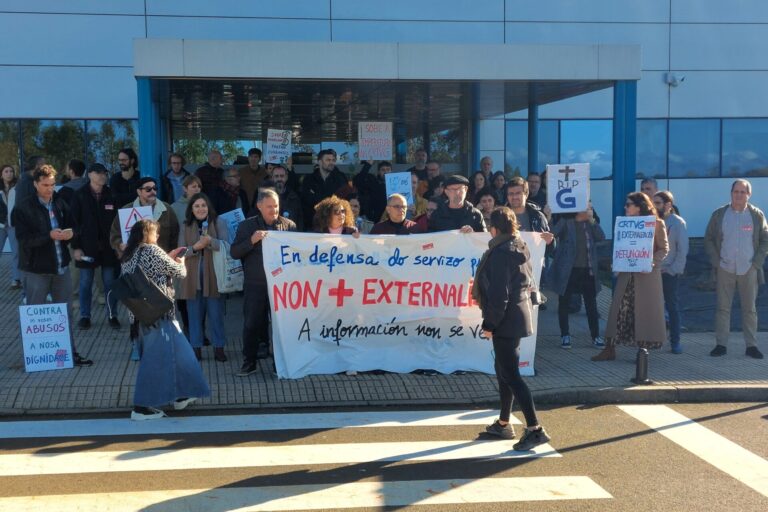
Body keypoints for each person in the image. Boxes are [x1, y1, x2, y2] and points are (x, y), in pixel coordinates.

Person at [473, 206, 551, 451]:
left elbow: (499, 296)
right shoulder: (519, 245)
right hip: (517, 316)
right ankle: (504, 423)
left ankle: (535, 429)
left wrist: (489, 324)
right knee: (504, 371)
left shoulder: (500, 252)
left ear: (494, 228)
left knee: (512, 376)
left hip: (506, 320)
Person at [120, 219, 210, 420]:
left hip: (141, 315)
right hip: (160, 315)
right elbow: (180, 273)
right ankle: (141, 407)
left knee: (179, 355)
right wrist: (181, 260)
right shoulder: (152, 251)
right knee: (158, 360)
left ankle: (180, 396)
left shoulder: (128, 255)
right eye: (155, 233)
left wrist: (167, 258)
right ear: (146, 234)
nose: (157, 236)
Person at [12, 164, 92, 366]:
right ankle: (35, 358)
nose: (50, 188)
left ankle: (69, 354)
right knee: (36, 316)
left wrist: (71, 235)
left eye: (53, 184)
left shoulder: (60, 202)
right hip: (35, 270)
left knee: (65, 314)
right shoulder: (23, 207)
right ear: (35, 184)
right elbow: (23, 240)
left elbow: (74, 225)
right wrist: (48, 236)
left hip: (61, 267)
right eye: (45, 185)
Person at [593, 192, 668, 361]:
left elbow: (664, 249)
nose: (625, 208)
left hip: (646, 276)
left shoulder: (656, 224)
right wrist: (618, 263)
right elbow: (621, 247)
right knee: (618, 310)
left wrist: (651, 262)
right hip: (626, 275)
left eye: (628, 205)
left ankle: (643, 351)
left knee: (643, 313)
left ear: (639, 206)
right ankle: (609, 348)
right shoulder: (624, 224)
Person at [231, 189, 297, 376]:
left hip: (281, 285)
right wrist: (251, 241)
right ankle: (249, 361)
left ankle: (280, 363)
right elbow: (234, 252)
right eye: (269, 206)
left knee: (281, 325)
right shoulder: (247, 226)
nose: (273, 210)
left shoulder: (289, 225)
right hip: (255, 284)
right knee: (252, 324)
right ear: (259, 206)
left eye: (276, 206)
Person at [704, 179, 768, 359]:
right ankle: (721, 345)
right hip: (725, 268)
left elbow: (765, 240)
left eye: (742, 192)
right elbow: (708, 238)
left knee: (750, 309)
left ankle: (752, 346)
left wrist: (756, 263)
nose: (738, 195)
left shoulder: (757, 215)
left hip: (748, 269)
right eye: (736, 191)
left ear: (749, 194)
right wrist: (717, 262)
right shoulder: (719, 214)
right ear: (731, 193)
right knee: (722, 308)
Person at [178, 192, 228, 362]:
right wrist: (196, 247)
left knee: (216, 315)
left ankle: (219, 348)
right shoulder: (185, 226)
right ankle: (196, 348)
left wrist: (211, 242)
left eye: (203, 205)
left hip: (214, 277)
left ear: (209, 207)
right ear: (191, 209)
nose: (201, 209)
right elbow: (180, 252)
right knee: (194, 316)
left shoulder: (219, 222)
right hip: (192, 278)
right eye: (197, 206)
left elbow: (227, 247)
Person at [547, 203, 606, 349]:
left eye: (591, 207)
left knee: (591, 305)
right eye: (586, 206)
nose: (588, 209)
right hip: (569, 270)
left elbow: (601, 237)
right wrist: (548, 218)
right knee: (564, 303)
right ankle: (565, 335)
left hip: (588, 270)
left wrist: (592, 220)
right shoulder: (567, 222)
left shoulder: (590, 223)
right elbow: (551, 234)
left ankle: (596, 336)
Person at [70, 163, 120, 330]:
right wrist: (76, 247)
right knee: (85, 283)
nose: (102, 176)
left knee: (109, 283)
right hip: (86, 247)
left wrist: (118, 244)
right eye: (98, 173)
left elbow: (118, 222)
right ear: (89, 175)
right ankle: (85, 316)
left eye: (104, 173)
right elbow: (73, 223)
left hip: (108, 248)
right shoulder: (79, 195)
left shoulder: (111, 194)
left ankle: (112, 315)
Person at [652, 191, 689, 354]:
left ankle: (675, 342)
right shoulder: (650, 221)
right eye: (654, 203)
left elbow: (682, 251)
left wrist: (673, 270)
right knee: (652, 307)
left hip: (668, 273)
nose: (654, 206)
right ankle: (653, 339)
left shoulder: (677, 223)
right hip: (651, 272)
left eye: (658, 203)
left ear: (668, 205)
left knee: (672, 307)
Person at [300, 149, 348, 230]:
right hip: (313, 225)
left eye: (333, 160)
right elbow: (306, 201)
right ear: (319, 162)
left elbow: (344, 201)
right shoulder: (309, 180)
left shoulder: (340, 179)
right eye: (328, 160)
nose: (331, 163)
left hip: (335, 225)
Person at [0, 164, 21, 289]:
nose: (9, 173)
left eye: (11, 171)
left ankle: (16, 279)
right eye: (6, 171)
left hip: (14, 224)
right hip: (0, 224)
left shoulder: (18, 187)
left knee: (16, 252)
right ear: (1, 174)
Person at [271, 164, 304, 231]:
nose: (279, 179)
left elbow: (300, 220)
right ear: (272, 178)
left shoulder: (294, 197)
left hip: (290, 235)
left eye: (282, 176)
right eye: (276, 176)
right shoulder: (265, 197)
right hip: (271, 236)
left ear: (286, 177)